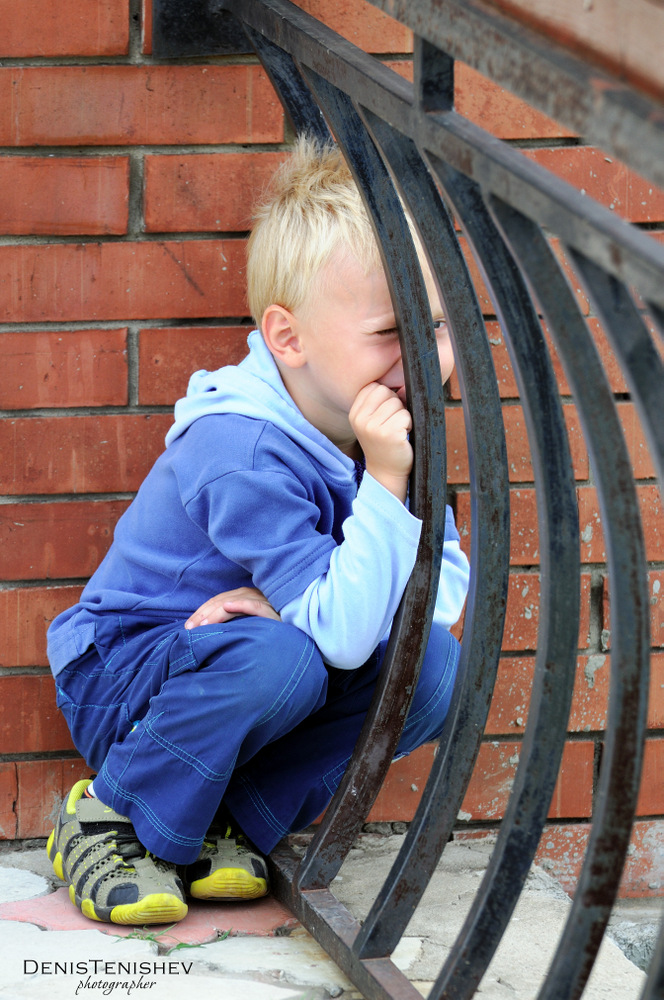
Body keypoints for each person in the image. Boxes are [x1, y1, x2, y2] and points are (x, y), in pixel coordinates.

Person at [45, 135, 470, 926]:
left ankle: (222, 819)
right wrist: (382, 485)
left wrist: (308, 601)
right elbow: (340, 640)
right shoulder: (241, 448)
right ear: (289, 339)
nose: (423, 356)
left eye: (439, 325)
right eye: (391, 332)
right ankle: (109, 814)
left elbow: (439, 591)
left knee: (433, 666)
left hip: (251, 664)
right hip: (127, 674)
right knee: (292, 658)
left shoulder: (375, 421)